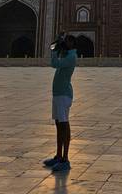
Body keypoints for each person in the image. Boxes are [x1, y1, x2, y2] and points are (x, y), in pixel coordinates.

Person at [43, 34, 77, 172]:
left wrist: (54, 50)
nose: (64, 43)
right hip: (58, 94)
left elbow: (54, 63)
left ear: (72, 44)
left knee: (64, 124)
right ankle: (58, 156)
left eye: (67, 41)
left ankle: (65, 159)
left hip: (64, 95)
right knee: (58, 124)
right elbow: (56, 63)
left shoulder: (71, 57)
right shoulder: (66, 54)